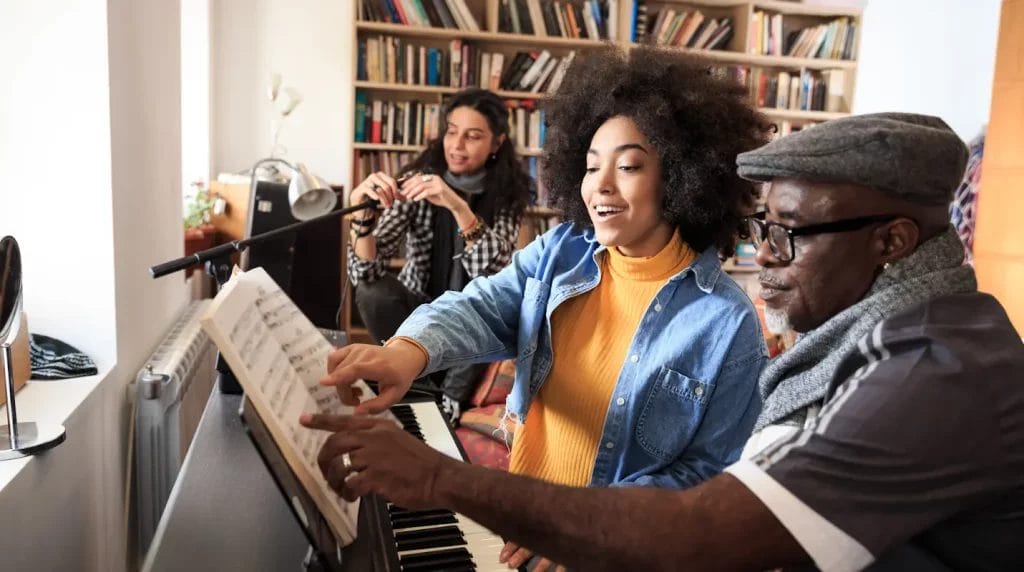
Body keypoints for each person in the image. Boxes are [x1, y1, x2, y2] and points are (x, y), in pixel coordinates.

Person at [304, 113, 1024, 571]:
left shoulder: (933, 373)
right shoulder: (889, 340)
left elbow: (702, 525)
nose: (765, 256)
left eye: (788, 233)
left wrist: (437, 479)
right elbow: (487, 303)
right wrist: (409, 348)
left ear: (893, 241)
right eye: (762, 228)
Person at [324, 45, 771, 568]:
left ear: (679, 177)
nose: (599, 186)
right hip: (516, 517)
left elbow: (708, 477)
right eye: (589, 166)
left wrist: (574, 523)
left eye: (628, 166)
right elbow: (484, 306)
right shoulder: (564, 250)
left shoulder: (728, 323)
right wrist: (406, 350)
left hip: (605, 549)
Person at [347, 88, 532, 416]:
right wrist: (363, 221)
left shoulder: (507, 197)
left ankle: (428, 391)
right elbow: (364, 275)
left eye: (473, 136)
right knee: (374, 292)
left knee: (498, 311)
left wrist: (458, 206)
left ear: (497, 143)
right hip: (419, 311)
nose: (457, 146)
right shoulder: (418, 182)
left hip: (475, 320)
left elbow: (500, 279)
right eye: (451, 132)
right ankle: (429, 391)